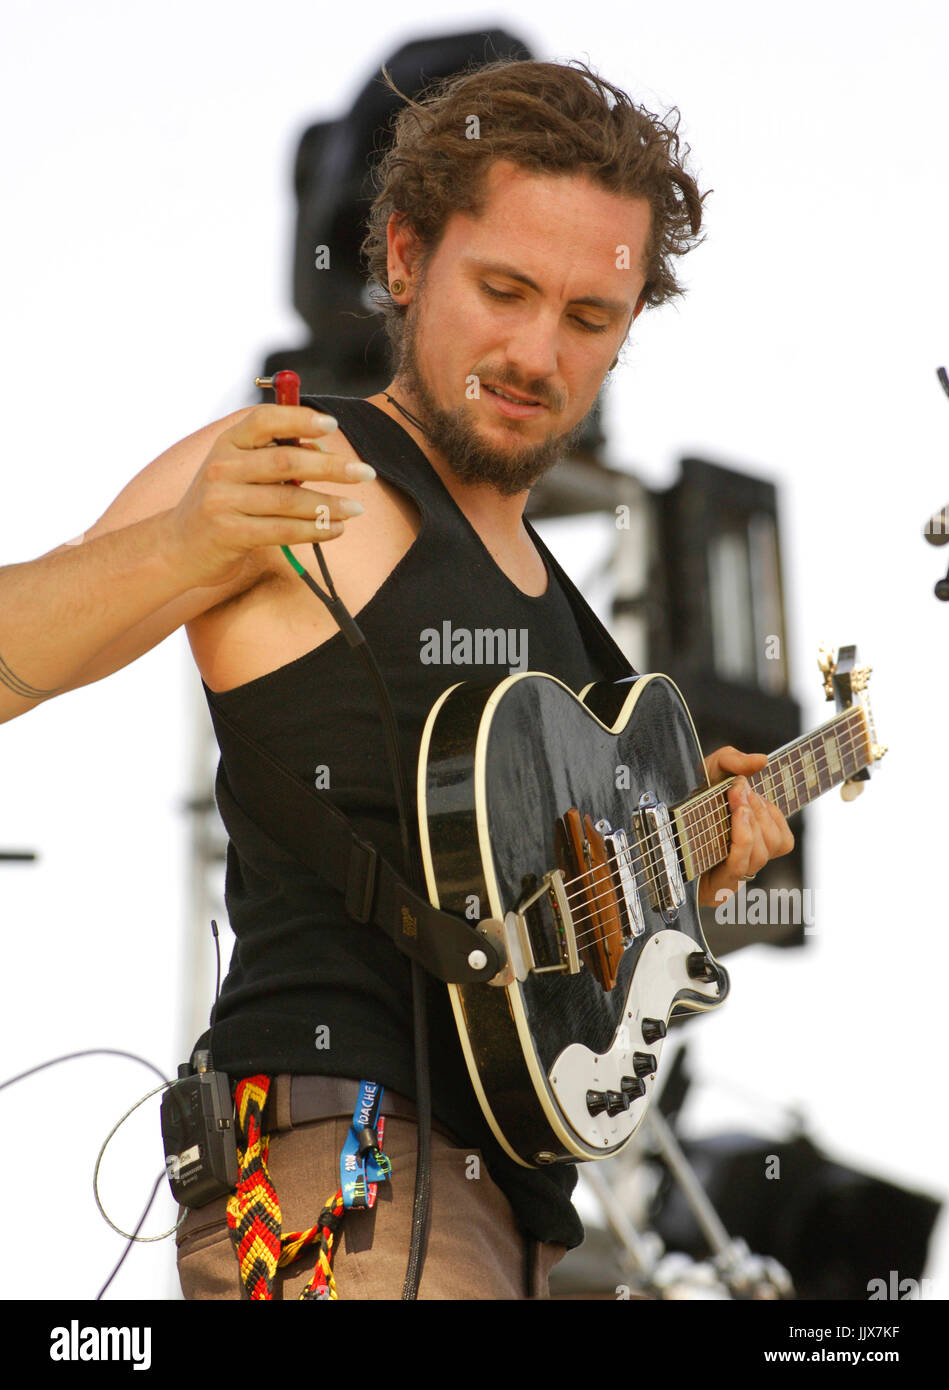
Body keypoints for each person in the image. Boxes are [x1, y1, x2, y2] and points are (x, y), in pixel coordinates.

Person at [0, 58, 794, 1300]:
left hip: (519, 1217)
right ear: (408, 258)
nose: (538, 350)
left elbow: (551, 963)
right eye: (504, 289)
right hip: (334, 1175)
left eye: (590, 317)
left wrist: (677, 872)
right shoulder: (308, 467)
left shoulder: (579, 637)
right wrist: (178, 544)